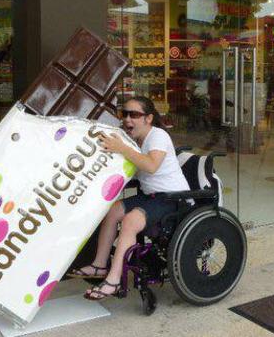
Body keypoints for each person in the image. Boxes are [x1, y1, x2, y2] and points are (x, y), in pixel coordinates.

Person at [66, 96, 190, 300]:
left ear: (148, 118)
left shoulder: (157, 135)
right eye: (125, 114)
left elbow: (151, 165)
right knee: (113, 209)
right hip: (151, 197)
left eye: (135, 115)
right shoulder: (135, 140)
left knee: (130, 221)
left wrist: (122, 148)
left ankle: (113, 281)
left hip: (173, 198)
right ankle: (99, 265)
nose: (128, 119)